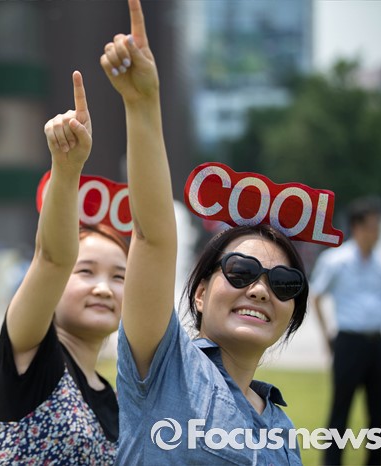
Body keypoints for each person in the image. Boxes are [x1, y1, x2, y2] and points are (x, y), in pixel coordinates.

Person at [104, 1, 307, 463]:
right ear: (199, 293)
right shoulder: (164, 367)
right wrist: (142, 104)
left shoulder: (283, 429)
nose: (260, 290)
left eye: (284, 283)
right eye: (240, 271)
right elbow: (153, 236)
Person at [0, 71, 125, 464]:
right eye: (86, 271)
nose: (103, 288)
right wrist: (67, 166)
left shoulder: (116, 400)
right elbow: (53, 258)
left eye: (119, 276)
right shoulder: (30, 355)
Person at [311, 196, 381, 465]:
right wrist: (326, 336)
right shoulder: (336, 260)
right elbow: (317, 296)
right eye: (372, 226)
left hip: (376, 343)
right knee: (341, 408)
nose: (376, 232)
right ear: (357, 227)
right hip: (348, 341)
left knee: (378, 411)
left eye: (378, 226)